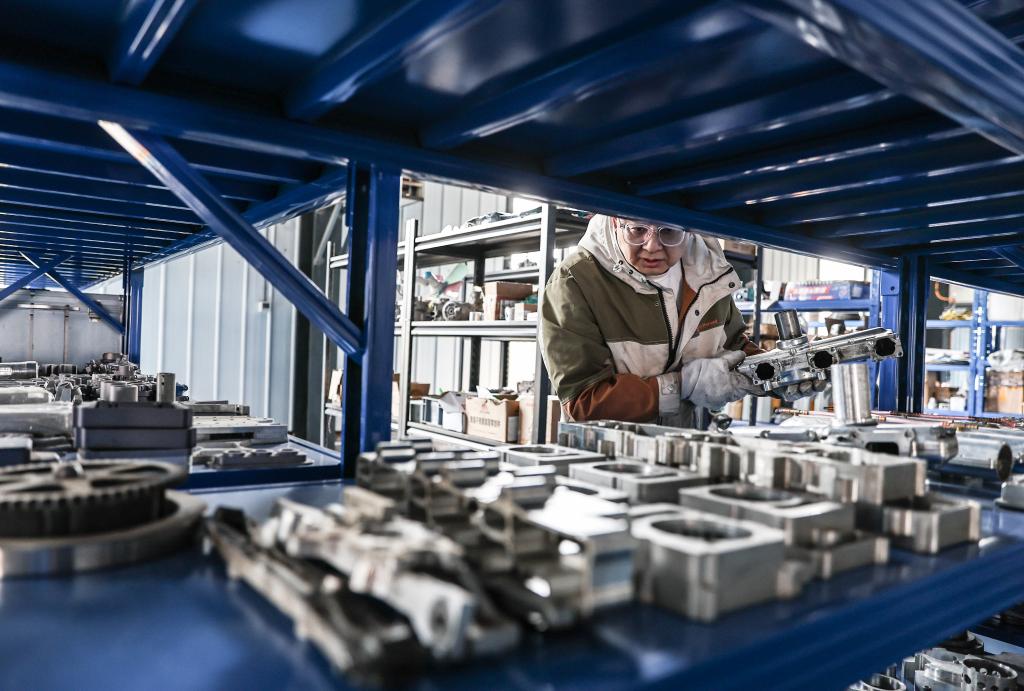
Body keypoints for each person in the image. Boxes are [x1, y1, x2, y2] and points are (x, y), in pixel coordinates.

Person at [539, 214, 819, 427]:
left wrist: (777, 374)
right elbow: (583, 402)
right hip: (607, 458)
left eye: (669, 231)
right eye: (637, 230)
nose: (652, 246)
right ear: (614, 221)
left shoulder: (708, 271)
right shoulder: (575, 282)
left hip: (684, 447)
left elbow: (733, 346)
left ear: (689, 229)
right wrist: (681, 385)